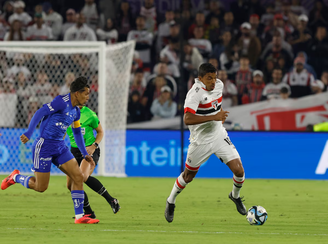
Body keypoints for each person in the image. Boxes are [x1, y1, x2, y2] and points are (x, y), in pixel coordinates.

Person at [1, 77, 99, 224]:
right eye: (85, 94)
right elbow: (40, 112)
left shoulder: (76, 112)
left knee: (78, 176)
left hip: (60, 147)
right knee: (41, 187)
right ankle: (15, 177)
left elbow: (77, 133)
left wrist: (85, 153)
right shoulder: (61, 101)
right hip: (44, 146)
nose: (88, 97)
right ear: (77, 93)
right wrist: (29, 132)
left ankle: (80, 217)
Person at [164, 63, 247, 223]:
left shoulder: (219, 85)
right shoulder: (194, 94)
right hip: (200, 141)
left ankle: (235, 196)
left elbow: (216, 106)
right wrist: (213, 117)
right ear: (200, 79)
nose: (213, 81)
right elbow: (187, 119)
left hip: (218, 135)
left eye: (215, 77)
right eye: (209, 78)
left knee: (239, 170)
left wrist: (217, 116)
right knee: (188, 177)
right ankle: (171, 200)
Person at [66, 105, 120, 218]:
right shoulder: (66, 113)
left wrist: (94, 146)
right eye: (84, 95)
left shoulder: (90, 114)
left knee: (82, 177)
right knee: (70, 186)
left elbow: (100, 131)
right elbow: (63, 132)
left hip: (89, 150)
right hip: (74, 152)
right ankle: (89, 212)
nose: (85, 98)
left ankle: (111, 200)